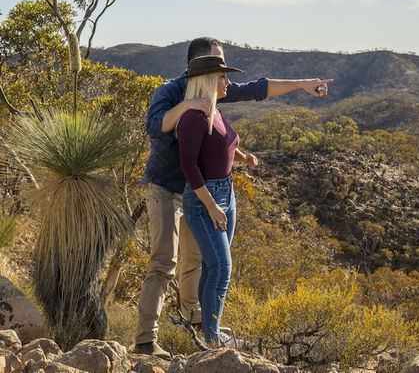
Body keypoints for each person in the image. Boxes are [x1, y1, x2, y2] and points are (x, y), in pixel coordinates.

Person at [134, 37, 332, 358]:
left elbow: (258, 89)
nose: (224, 73)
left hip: (200, 192)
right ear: (197, 65)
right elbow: (155, 126)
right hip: (167, 188)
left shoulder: (215, 90)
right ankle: (145, 342)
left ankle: (198, 325)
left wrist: (302, 84)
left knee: (195, 261)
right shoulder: (169, 92)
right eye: (218, 62)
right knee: (163, 263)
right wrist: (186, 105)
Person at [177, 55, 246, 347]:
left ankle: (210, 331)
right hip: (206, 197)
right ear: (206, 80)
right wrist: (211, 206)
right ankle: (212, 338)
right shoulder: (194, 117)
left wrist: (245, 158)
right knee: (221, 268)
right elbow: (189, 165)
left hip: (226, 192)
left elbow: (224, 143)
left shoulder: (214, 111)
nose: (228, 82)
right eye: (222, 77)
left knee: (212, 266)